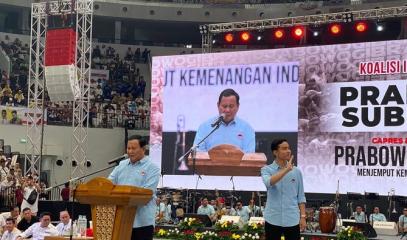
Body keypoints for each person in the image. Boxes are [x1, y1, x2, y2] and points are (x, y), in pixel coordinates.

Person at [108, 135, 160, 240]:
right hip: (121, 220)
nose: (130, 151)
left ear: (143, 149)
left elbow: (147, 193)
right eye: (128, 148)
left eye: (133, 148)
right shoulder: (121, 165)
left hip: (142, 223)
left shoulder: (152, 168)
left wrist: (123, 196)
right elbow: (108, 184)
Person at [261, 139, 306, 240]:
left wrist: (303, 217)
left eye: (289, 148)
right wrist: (286, 170)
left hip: (292, 219)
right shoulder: (266, 169)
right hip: (273, 218)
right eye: (284, 148)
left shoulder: (296, 171)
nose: (288, 151)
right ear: (275, 152)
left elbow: (301, 196)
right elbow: (269, 182)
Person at [193, 88, 255, 153]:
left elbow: (249, 156)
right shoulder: (205, 127)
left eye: (231, 106)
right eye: (224, 106)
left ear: (238, 106)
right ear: (218, 105)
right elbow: (198, 153)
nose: (227, 110)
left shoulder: (247, 129)